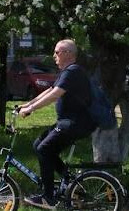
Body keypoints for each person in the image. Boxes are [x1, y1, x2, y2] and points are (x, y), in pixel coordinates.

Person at [18, 39, 96, 209]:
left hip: (75, 123)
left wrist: (31, 109)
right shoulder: (67, 72)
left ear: (68, 54)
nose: (54, 56)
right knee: (39, 145)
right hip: (69, 122)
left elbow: (55, 95)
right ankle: (69, 182)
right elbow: (50, 90)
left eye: (57, 52)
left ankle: (48, 198)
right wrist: (27, 104)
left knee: (44, 149)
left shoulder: (72, 71)